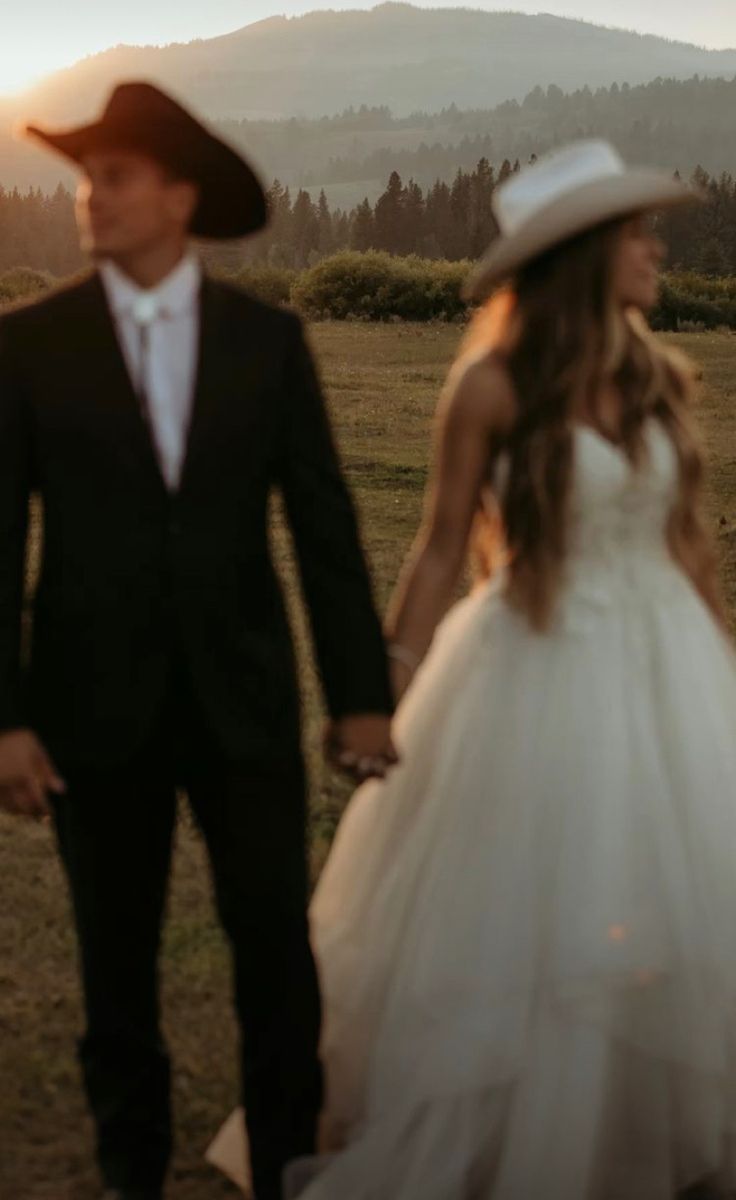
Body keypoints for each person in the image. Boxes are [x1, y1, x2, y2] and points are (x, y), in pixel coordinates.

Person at [213, 140, 736, 1200]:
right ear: (587, 253)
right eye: (635, 232)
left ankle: (641, 1112)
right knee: (538, 899)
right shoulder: (490, 386)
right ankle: (527, 1123)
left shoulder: (654, 375)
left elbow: (688, 543)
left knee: (673, 887)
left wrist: (721, 663)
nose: (655, 246)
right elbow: (442, 546)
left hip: (665, 661)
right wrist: (386, 686)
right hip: (535, 666)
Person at [0, 82, 395, 1200]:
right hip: (89, 708)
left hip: (245, 701)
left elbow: (322, 526)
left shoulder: (266, 343)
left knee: (275, 949)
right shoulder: (29, 345)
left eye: (113, 176)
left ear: (178, 196)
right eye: (84, 178)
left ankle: (285, 1167)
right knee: (113, 965)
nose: (90, 198)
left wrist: (359, 693)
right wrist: (7, 717)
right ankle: (131, 1175)